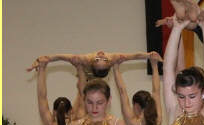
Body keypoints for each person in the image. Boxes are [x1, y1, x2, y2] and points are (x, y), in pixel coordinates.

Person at [28, 51, 160, 80]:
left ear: (92, 62)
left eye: (97, 59)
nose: (101, 55)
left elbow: (57, 57)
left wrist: (41, 60)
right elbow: (135, 56)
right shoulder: (113, 58)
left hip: (86, 73)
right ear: (109, 63)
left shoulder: (84, 60)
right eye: (103, 59)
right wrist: (149, 54)